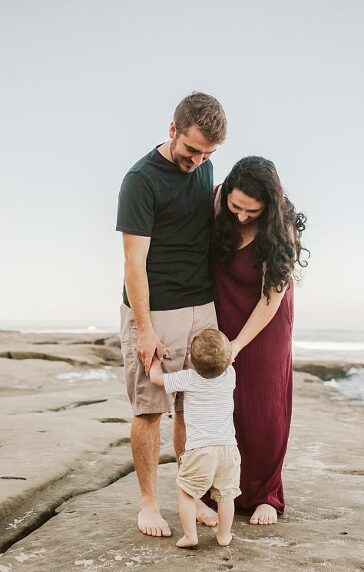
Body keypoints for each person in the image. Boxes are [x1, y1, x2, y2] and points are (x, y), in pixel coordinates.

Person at [116, 92, 226, 537]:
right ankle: (148, 503)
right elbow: (133, 263)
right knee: (150, 409)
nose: (197, 161)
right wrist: (144, 330)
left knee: (191, 408)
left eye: (207, 154)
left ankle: (189, 493)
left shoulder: (208, 168)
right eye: (191, 150)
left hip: (202, 306)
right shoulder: (141, 180)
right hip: (154, 310)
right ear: (172, 130)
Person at [210, 156, 308, 525]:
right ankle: (218, 489)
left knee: (264, 407)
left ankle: (267, 493)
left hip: (266, 322)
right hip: (222, 312)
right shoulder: (217, 201)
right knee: (223, 405)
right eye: (236, 206)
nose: (241, 216)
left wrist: (237, 346)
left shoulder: (282, 228)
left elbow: (272, 297)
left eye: (252, 211)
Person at [148, 329, 240, 548]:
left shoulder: (188, 378)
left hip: (200, 450)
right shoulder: (231, 375)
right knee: (226, 495)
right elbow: (226, 361)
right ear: (228, 361)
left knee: (187, 492)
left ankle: (190, 535)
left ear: (190, 359)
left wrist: (154, 360)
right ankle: (224, 535)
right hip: (228, 448)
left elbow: (155, 379)